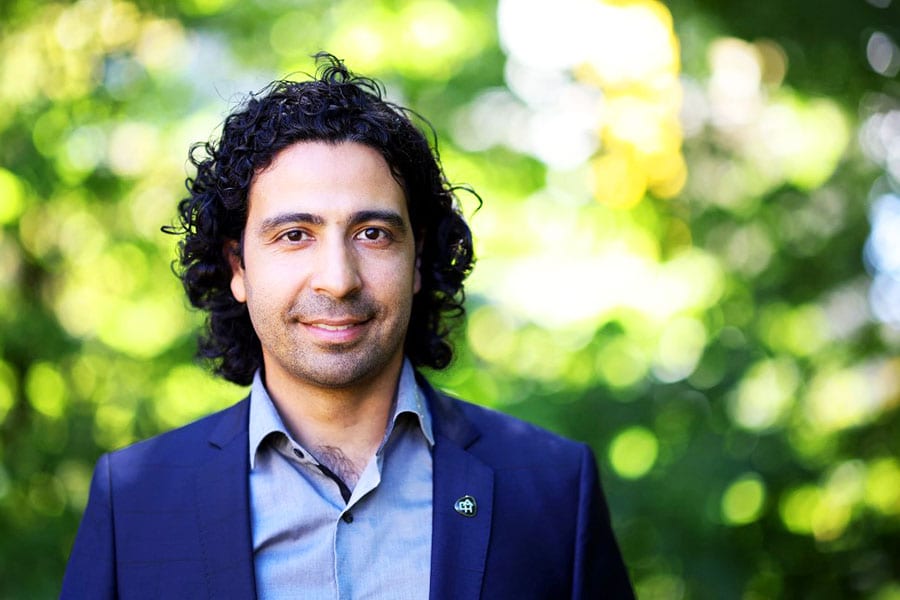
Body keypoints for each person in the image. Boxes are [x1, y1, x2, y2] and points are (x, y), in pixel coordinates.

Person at [61, 53, 634, 599]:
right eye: (294, 235)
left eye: (372, 234)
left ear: (416, 261)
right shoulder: (131, 500)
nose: (338, 280)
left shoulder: (555, 487)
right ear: (238, 267)